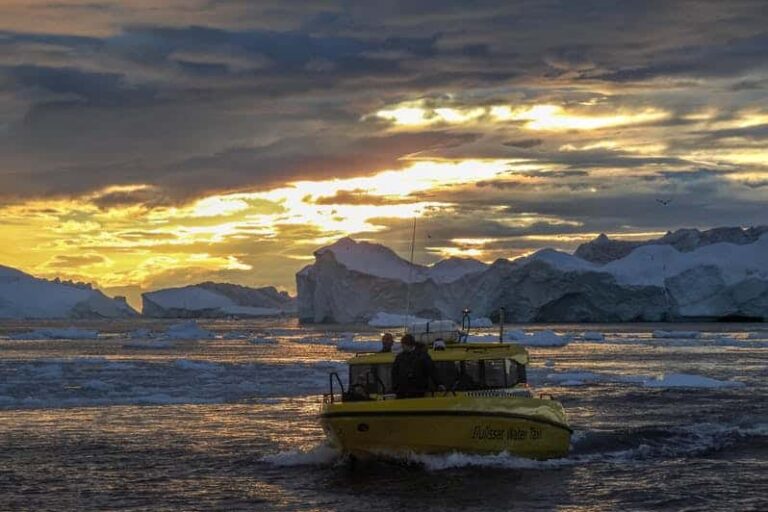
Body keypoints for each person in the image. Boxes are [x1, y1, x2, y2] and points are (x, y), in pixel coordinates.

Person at [391, 334, 443, 398]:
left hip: (418, 390)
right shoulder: (400, 357)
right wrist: (395, 387)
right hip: (402, 391)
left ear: (407, 344)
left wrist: (439, 383)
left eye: (403, 345)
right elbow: (394, 373)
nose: (402, 347)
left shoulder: (422, 356)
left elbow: (431, 370)